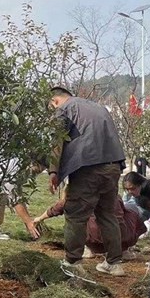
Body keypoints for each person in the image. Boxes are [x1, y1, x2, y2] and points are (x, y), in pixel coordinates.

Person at [48, 84, 126, 276]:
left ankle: (72, 262)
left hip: (88, 167)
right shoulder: (98, 107)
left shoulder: (64, 109)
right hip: (113, 164)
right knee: (107, 214)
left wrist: (53, 170)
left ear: (55, 101)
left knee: (76, 215)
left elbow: (57, 140)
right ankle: (114, 263)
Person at [33, 196, 145, 260]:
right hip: (121, 241)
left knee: (76, 217)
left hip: (94, 242)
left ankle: (88, 250)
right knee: (130, 210)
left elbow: (58, 207)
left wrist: (40, 218)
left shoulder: (81, 194)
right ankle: (123, 251)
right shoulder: (113, 194)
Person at [0, 159, 40, 241]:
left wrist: (28, 220)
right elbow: (15, 198)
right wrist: (28, 222)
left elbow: (18, 195)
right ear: (32, 163)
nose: (35, 174)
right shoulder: (15, 168)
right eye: (36, 171)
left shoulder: (19, 164)